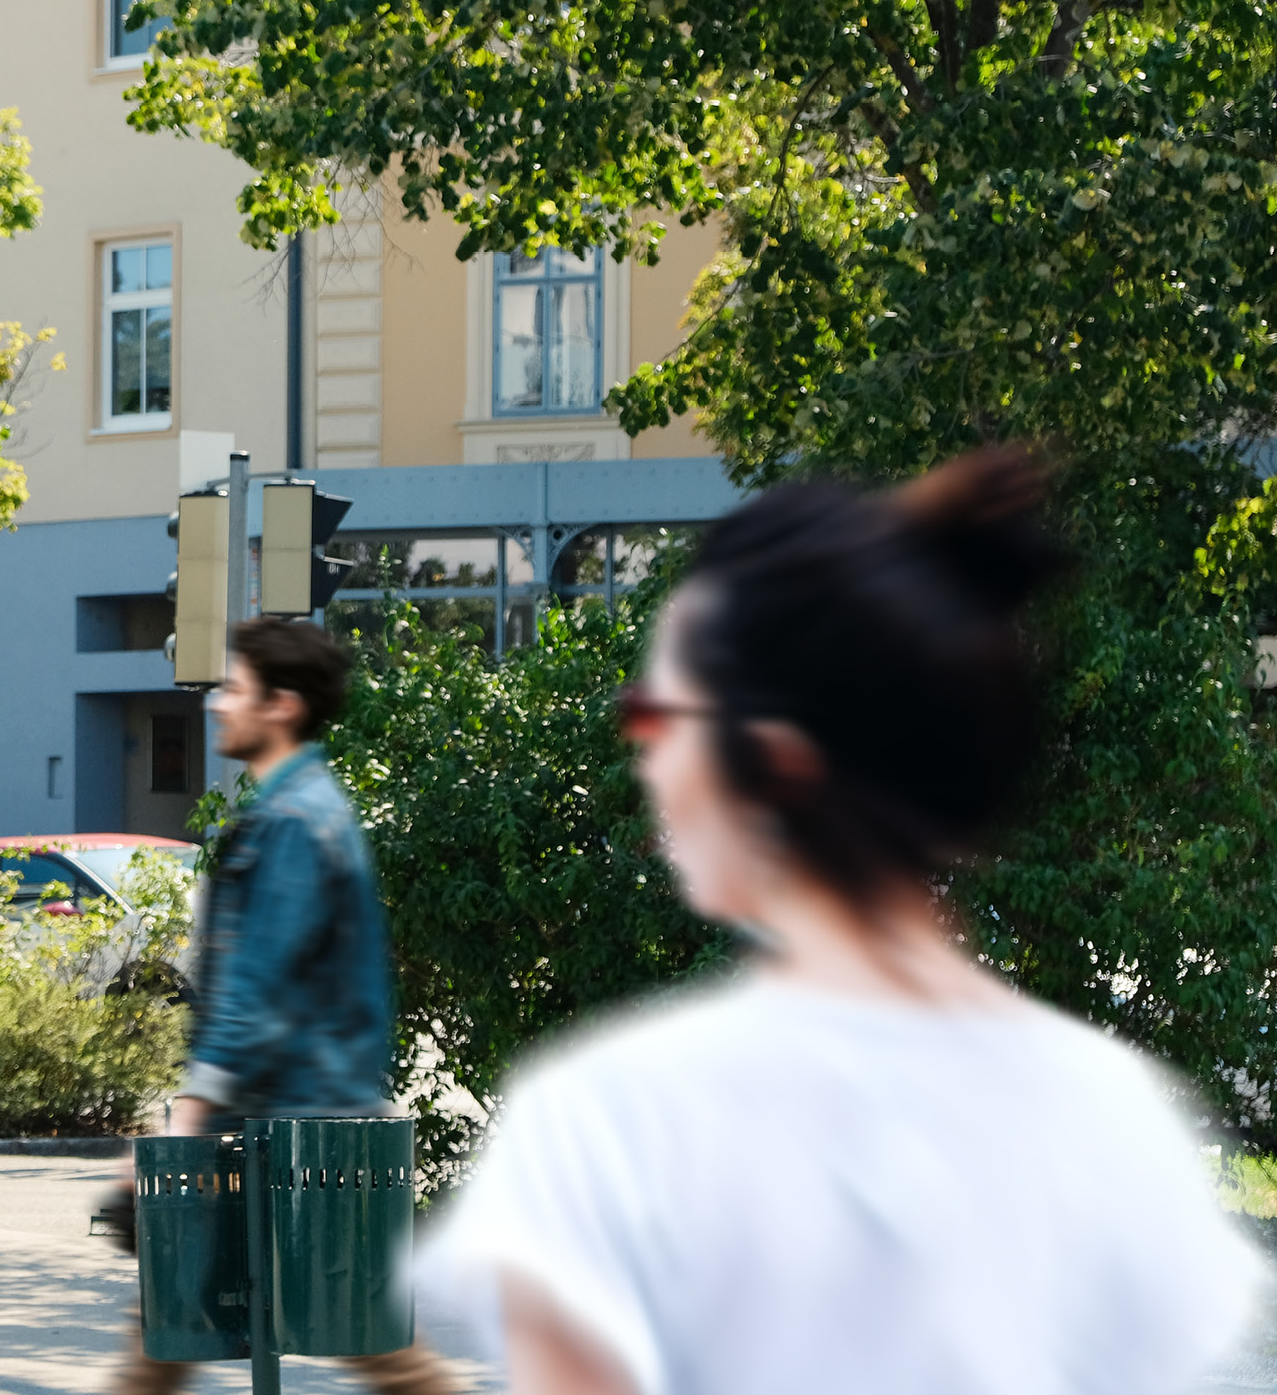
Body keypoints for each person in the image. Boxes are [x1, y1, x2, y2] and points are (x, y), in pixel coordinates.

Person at [418, 450, 1265, 1395]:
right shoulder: (1123, 1122)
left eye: (656, 713)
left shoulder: (611, 1125)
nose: (641, 752)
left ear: (776, 765)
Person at [115, 616, 456, 1395]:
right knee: (171, 1327)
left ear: (284, 706)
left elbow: (254, 993)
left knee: (358, 1340)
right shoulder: (296, 810)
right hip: (294, 1118)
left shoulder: (297, 822)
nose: (215, 704)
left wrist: (193, 1116)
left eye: (234, 688)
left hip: (293, 1126)